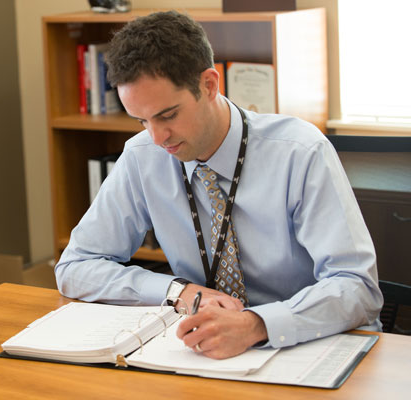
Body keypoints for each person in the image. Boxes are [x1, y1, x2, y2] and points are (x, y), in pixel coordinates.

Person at [55, 10, 382, 359]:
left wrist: (257, 324)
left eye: (168, 115)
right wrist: (175, 291)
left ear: (209, 85)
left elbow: (357, 287)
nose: (157, 137)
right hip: (207, 352)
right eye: (141, 120)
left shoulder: (300, 152)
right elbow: (75, 267)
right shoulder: (143, 156)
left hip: (305, 343)